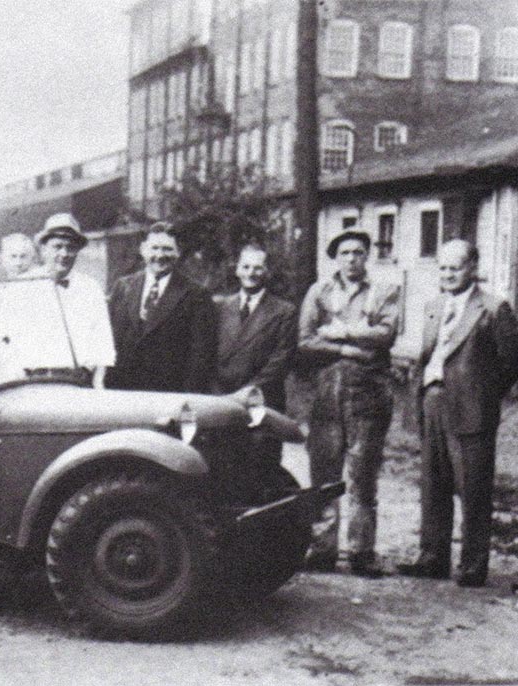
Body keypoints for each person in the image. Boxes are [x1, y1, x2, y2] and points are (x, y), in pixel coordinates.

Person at [398, 240, 518, 587]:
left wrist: (483, 392)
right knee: (433, 484)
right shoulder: (435, 306)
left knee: (473, 488)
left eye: (455, 267)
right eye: (443, 268)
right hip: (433, 402)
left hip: (472, 410)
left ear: (472, 268)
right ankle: (433, 558)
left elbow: (513, 362)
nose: (448, 274)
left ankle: (472, 566)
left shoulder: (494, 308)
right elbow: (427, 355)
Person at [298, 230, 400, 577]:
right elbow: (306, 341)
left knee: (363, 472)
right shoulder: (319, 292)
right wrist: (346, 346)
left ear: (367, 255)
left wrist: (338, 329)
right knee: (324, 470)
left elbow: (385, 334)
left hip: (369, 389)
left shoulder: (383, 290)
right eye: (345, 252)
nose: (352, 258)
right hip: (328, 388)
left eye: (358, 252)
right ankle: (323, 549)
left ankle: (361, 552)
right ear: (335, 257)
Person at [105, 222, 216, 393]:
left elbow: (200, 355)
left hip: (168, 395)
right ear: (143, 249)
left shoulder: (196, 295)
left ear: (178, 252)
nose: (160, 255)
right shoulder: (123, 286)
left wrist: (187, 399)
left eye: (167, 249)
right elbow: (108, 339)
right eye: (154, 248)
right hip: (121, 392)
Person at [34, 213, 116, 386]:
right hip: (33, 380)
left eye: (71, 247)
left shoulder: (90, 288)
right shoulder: (25, 285)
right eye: (57, 246)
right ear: (44, 248)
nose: (64, 254)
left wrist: (98, 383)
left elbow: (102, 342)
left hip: (77, 380)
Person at [214, 244, 297, 411]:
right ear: (237, 270)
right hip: (220, 397)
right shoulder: (219, 306)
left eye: (257, 268)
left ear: (267, 272)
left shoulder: (284, 311)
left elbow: (281, 359)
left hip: (262, 399)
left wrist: (249, 391)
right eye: (245, 267)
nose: (251, 273)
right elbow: (208, 352)